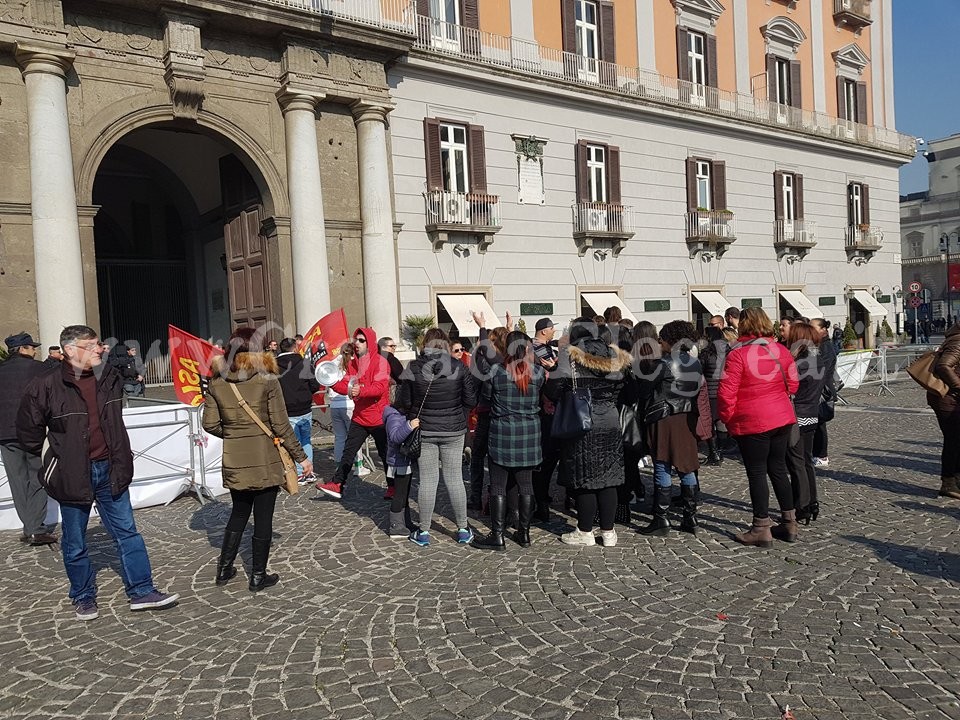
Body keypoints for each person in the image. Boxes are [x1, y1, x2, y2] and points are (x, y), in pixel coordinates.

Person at [17, 325, 179, 620]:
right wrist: (58, 460)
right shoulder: (46, 385)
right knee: (75, 540)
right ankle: (82, 596)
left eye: (99, 344)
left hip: (111, 468)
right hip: (72, 473)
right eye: (92, 345)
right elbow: (28, 434)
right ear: (69, 350)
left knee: (128, 533)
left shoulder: (110, 377)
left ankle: (142, 590)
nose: (100, 349)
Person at [203, 328, 312, 591]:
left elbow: (210, 424)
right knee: (263, 517)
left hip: (235, 457)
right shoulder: (267, 379)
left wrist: (235, 433)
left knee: (239, 512)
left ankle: (224, 569)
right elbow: (281, 425)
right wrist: (302, 458)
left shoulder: (217, 382)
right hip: (264, 456)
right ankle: (258, 576)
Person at [718, 308, 799, 548]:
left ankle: (761, 527)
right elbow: (793, 384)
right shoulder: (781, 350)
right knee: (778, 469)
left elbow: (726, 393)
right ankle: (789, 521)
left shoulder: (738, 355)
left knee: (756, 472)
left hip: (753, 420)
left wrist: (726, 419)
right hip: (781, 417)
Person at [547, 318, 631, 547]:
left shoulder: (570, 355)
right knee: (609, 477)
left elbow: (553, 389)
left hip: (583, 422)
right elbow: (624, 387)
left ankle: (584, 531)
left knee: (585, 477)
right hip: (611, 420)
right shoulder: (614, 356)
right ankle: (609, 532)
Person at [398, 328, 478, 546]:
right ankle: (463, 528)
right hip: (453, 429)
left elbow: (404, 401)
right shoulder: (459, 366)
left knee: (427, 481)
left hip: (424, 429)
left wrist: (415, 413)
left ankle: (423, 532)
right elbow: (471, 400)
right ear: (445, 344)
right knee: (455, 479)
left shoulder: (413, 367)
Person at [472, 331, 546, 551]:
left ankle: (498, 535)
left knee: (498, 486)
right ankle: (524, 533)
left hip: (502, 434)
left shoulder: (496, 372)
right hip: (529, 434)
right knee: (526, 485)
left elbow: (486, 398)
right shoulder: (539, 373)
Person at [638, 321, 705, 536]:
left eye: (663, 339)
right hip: (687, 417)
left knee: (662, 464)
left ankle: (661, 518)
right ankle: (690, 516)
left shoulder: (664, 363)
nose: (660, 342)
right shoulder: (695, 363)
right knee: (686, 465)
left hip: (664, 416)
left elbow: (645, 389)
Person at [316, 328, 391, 500]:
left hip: (379, 417)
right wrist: (332, 382)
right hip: (360, 416)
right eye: (356, 340)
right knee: (348, 452)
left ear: (370, 343)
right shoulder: (353, 363)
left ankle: (393, 486)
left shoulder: (380, 362)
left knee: (385, 455)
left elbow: (380, 388)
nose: (357, 343)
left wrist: (360, 391)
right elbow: (346, 385)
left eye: (361, 340)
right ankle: (337, 483)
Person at [0, 332, 58, 545]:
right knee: (37, 477)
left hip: (5, 434)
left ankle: (30, 527)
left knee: (17, 482)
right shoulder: (40, 369)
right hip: (33, 432)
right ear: (23, 349)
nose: (35, 350)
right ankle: (36, 529)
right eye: (32, 347)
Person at [784, 322, 826, 529]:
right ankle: (812, 501)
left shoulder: (800, 363)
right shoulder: (816, 359)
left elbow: (789, 387)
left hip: (798, 415)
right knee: (806, 461)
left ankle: (802, 505)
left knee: (796, 462)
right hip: (812, 414)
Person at [468, 314, 508, 512]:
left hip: (486, 412)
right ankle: (494, 498)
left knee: (478, 457)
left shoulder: (489, 362)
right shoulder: (509, 361)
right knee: (496, 460)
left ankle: (476, 496)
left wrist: (482, 326)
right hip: (501, 414)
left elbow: (483, 349)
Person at [276, 337, 320, 481]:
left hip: (286, 408)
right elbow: (315, 385)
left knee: (292, 441)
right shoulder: (304, 363)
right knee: (306, 440)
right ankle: (307, 471)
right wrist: (306, 394)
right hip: (304, 407)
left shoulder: (274, 366)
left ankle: (300, 472)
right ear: (295, 348)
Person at [928, 322, 960, 499]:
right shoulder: (958, 341)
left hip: (952, 397)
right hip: (947, 398)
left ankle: (956, 479)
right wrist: (958, 386)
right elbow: (944, 366)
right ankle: (948, 482)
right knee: (953, 440)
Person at [383, 404, 418, 537]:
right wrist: (409, 426)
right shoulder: (394, 417)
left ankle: (405, 522)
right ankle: (396, 525)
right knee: (399, 494)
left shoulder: (398, 416)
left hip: (403, 461)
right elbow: (395, 437)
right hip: (398, 462)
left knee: (404, 494)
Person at [810, 318, 837, 468]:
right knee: (816, 423)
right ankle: (817, 453)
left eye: (813, 328)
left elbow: (822, 370)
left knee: (820, 423)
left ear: (823, 330)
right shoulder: (818, 344)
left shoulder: (826, 347)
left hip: (823, 390)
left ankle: (821, 455)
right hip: (818, 388)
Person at [700, 325, 729, 465]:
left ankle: (714, 453)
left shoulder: (707, 353)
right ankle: (722, 450)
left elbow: (700, 371)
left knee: (709, 423)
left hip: (710, 392)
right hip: (726, 391)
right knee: (722, 422)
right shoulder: (729, 351)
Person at [325, 342, 355, 470]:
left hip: (334, 405)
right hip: (349, 403)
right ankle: (357, 465)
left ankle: (339, 465)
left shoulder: (332, 363)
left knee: (340, 437)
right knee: (354, 437)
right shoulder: (355, 363)